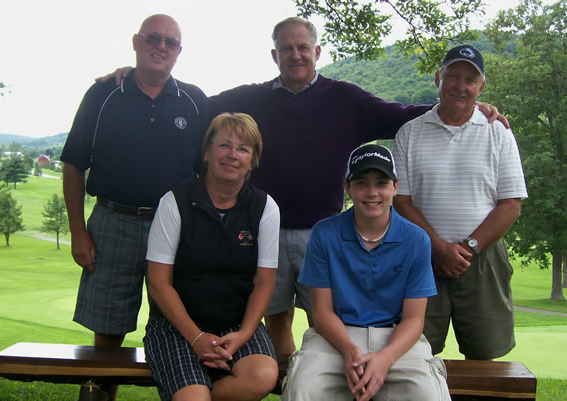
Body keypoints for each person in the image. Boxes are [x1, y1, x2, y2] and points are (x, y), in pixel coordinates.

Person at [100, 17, 507, 361]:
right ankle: (287, 379)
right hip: (266, 232)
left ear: (317, 52)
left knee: (326, 315)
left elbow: (402, 116)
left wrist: (464, 107)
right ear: (275, 55)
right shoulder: (248, 99)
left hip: (325, 233)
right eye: (286, 48)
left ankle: (327, 377)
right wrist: (138, 77)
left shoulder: (346, 98)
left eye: (303, 47)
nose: (295, 54)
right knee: (276, 315)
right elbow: (189, 103)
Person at [60, 14, 211, 399]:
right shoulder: (103, 94)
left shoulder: (196, 101)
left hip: (176, 230)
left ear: (179, 51)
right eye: (152, 38)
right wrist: (78, 230)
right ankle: (98, 396)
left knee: (178, 329)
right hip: (113, 221)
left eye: (170, 42)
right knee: (107, 330)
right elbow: (75, 162)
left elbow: (211, 168)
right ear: (136, 42)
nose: (161, 46)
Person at [282, 144, 450, 401]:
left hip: (396, 339)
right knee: (303, 389)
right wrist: (349, 350)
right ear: (348, 187)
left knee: (429, 394)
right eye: (362, 183)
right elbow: (322, 311)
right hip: (336, 337)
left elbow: (414, 319)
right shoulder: (324, 233)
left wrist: (385, 359)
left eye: (381, 183)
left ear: (395, 187)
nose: (372, 193)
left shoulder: (416, 239)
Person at [392, 45, 528, 360]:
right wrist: (438, 247)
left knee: (485, 355)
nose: (460, 86)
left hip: (483, 258)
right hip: (422, 258)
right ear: (438, 77)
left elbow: (511, 205)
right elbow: (401, 200)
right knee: (414, 354)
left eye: (470, 79)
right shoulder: (410, 133)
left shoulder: (499, 133)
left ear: (481, 87)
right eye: (453, 76)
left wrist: (467, 249)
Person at [144, 112, 280, 401]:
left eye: (243, 149)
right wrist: (196, 338)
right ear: (206, 152)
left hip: (236, 322)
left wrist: (244, 334)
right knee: (193, 397)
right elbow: (158, 282)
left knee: (263, 376)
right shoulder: (174, 203)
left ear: (251, 161)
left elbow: (264, 281)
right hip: (176, 325)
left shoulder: (264, 207)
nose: (233, 155)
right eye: (224, 145)